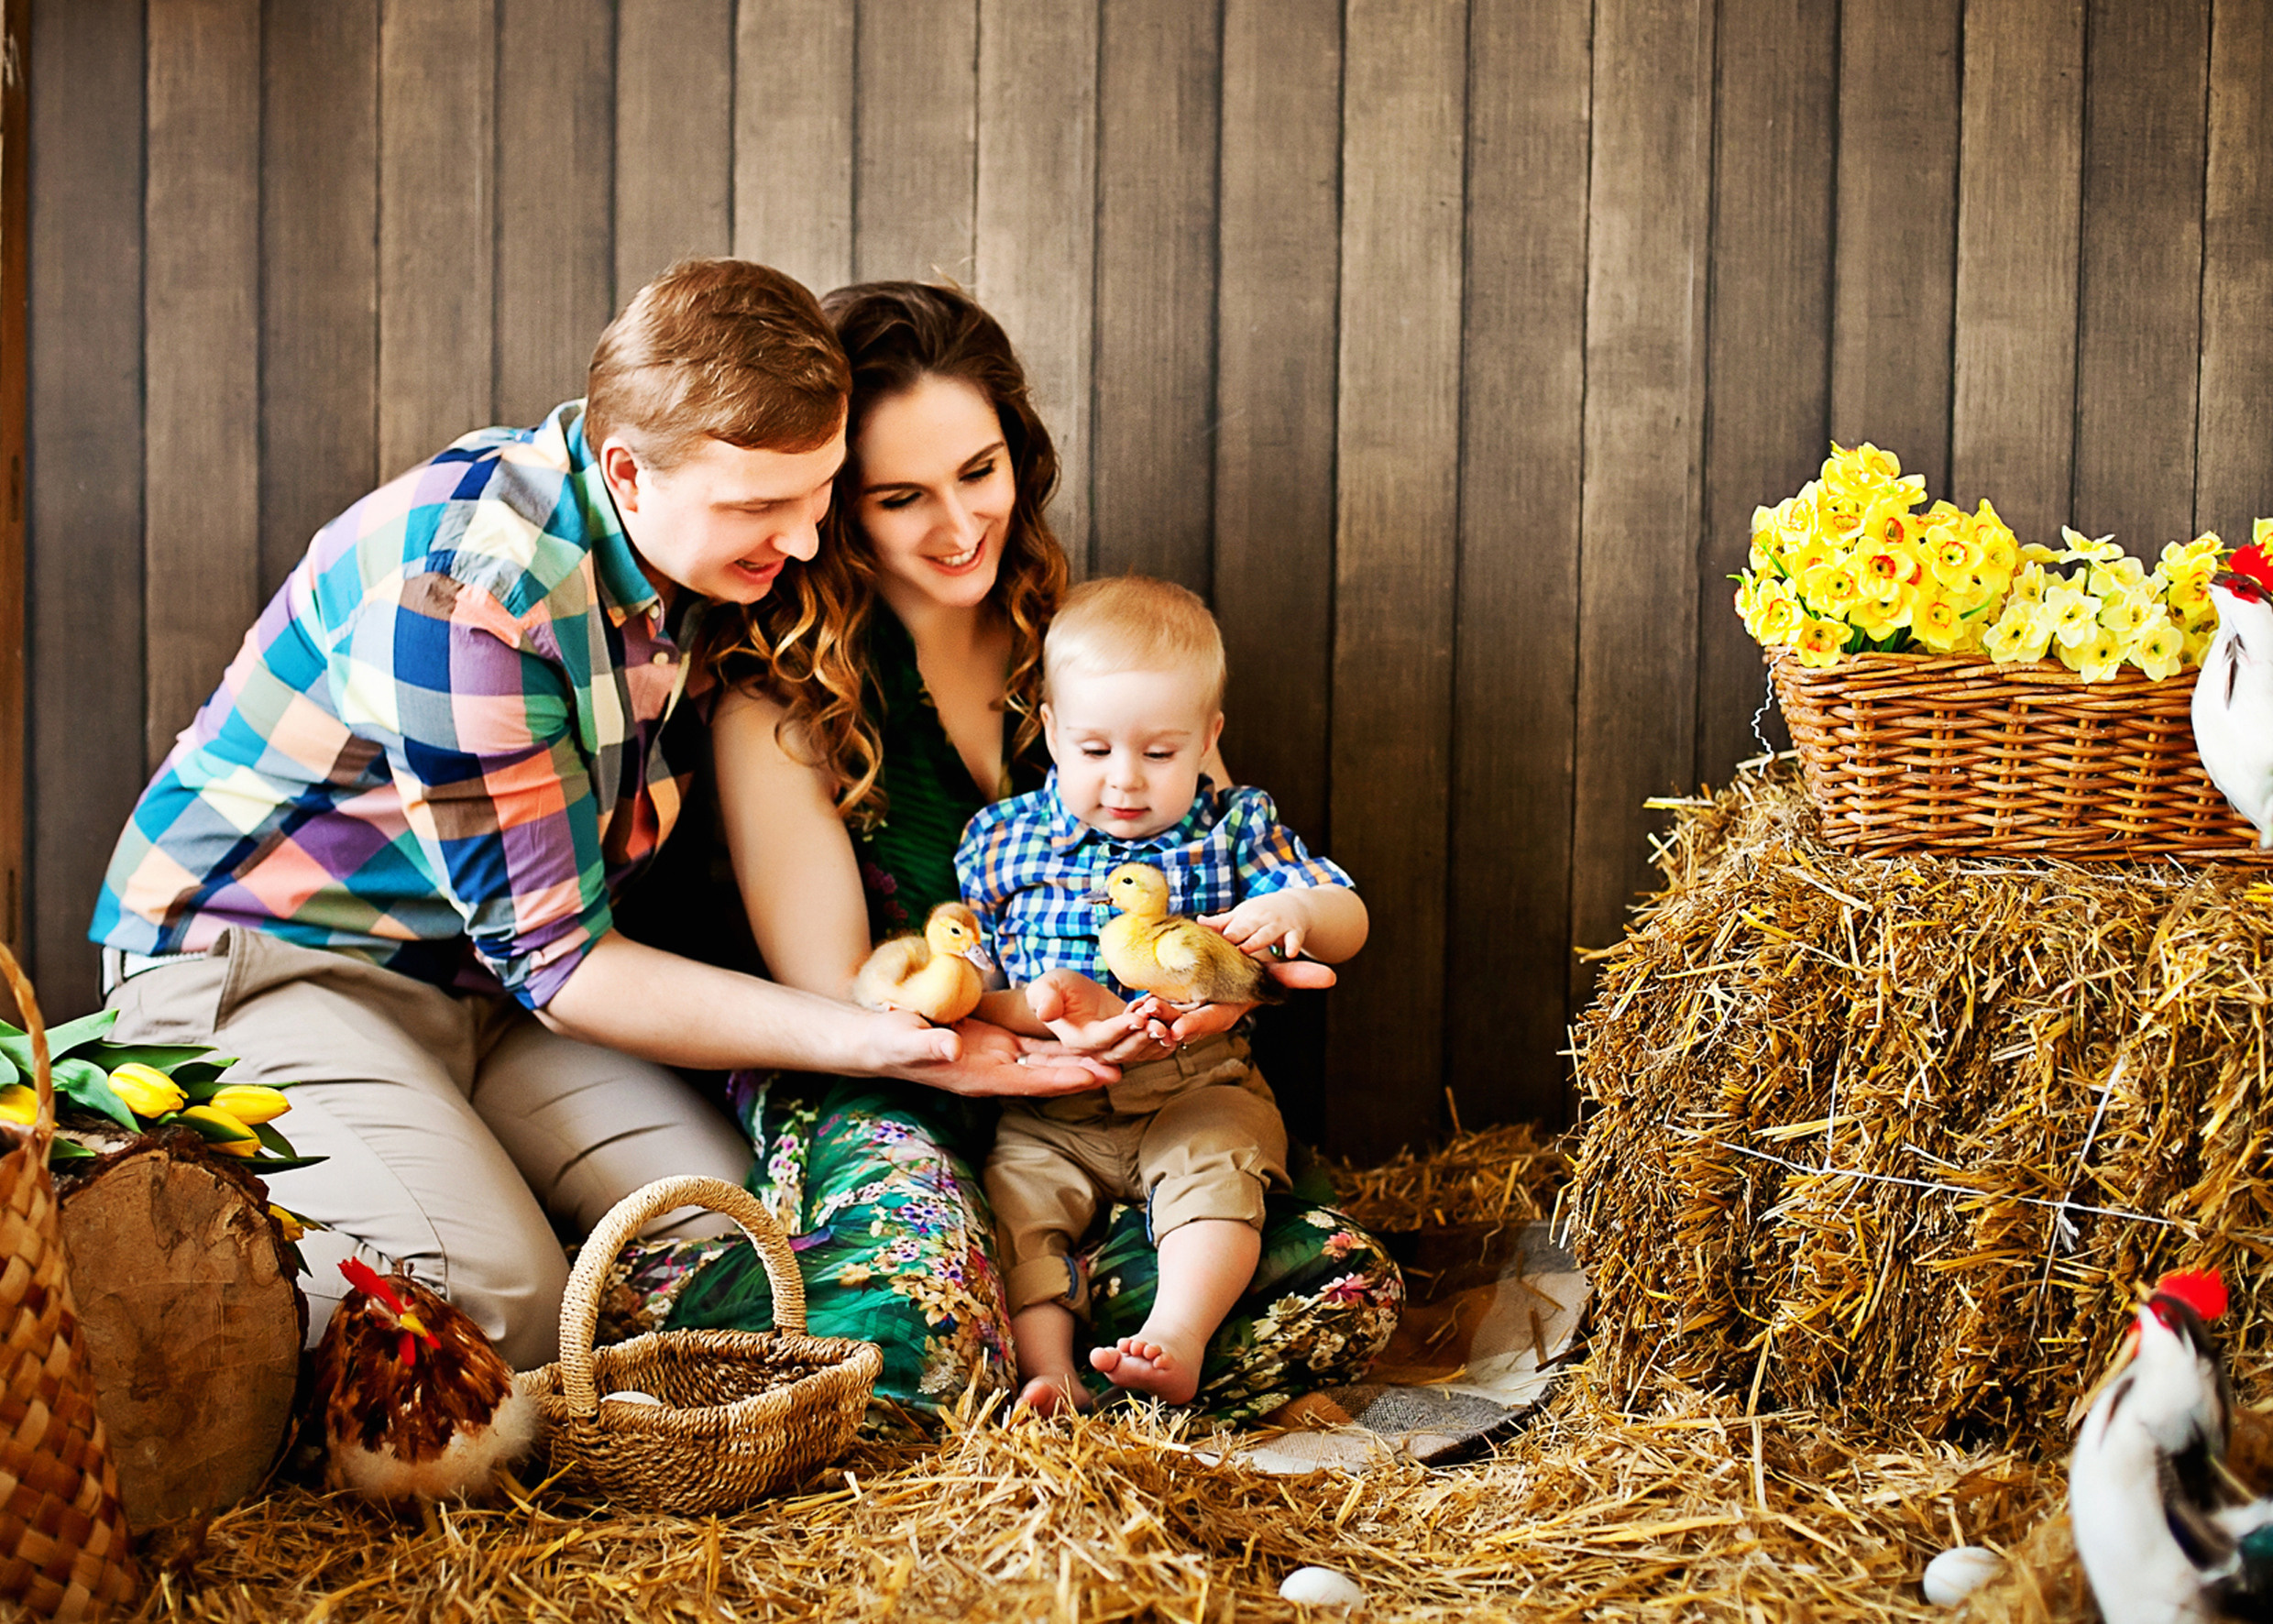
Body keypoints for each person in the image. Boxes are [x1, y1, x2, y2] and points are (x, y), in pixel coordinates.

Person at [86, 259, 1104, 1371]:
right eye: (761, 508)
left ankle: (457, 1207)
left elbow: (545, 964)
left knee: (735, 1240)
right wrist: (895, 1043)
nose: (804, 544)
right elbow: (565, 965)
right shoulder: (470, 590)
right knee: (493, 1297)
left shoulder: (696, 542)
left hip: (486, 993)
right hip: (270, 966)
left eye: (817, 499)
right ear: (628, 466)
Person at [652, 281, 1402, 1422]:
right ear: (832, 506)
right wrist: (1025, 1015)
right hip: (896, 1081)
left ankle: (1080, 1341)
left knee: (1337, 1287)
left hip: (1127, 1087)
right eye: (900, 497)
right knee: (919, 1328)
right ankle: (936, 1316)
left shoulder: (1092, 648)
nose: (957, 528)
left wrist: (1211, 993)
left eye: (979, 473)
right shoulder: (779, 704)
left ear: (1020, 457)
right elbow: (843, 1001)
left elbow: (1222, 858)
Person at [958, 576, 1369, 1411]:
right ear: (1049, 732)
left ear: (1209, 738)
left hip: (1199, 1082)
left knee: (1219, 1167)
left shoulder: (1234, 829)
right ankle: (1049, 1370)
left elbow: (1349, 917)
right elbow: (980, 986)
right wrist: (1041, 1010)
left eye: (1160, 752)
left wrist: (1295, 910)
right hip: (1054, 1103)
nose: (1125, 782)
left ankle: (1175, 1335)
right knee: (1014, 1202)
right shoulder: (1002, 841)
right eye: (1096, 749)